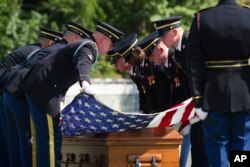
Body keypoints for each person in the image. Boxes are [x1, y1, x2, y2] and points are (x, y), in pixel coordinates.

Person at [20, 20, 124, 167]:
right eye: (111, 44)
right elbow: (83, 62)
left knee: (42, 137)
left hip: (37, 88)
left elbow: (60, 71)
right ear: (103, 39)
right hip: (45, 91)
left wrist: (61, 101)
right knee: (51, 138)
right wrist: (86, 83)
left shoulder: (82, 44)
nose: (110, 49)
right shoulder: (89, 46)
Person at [2, 21, 92, 167]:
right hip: (20, 92)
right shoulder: (59, 49)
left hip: (9, 90)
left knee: (14, 141)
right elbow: (46, 76)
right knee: (31, 141)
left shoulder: (44, 49)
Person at [186, 0, 250, 166]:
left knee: (217, 145)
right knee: (242, 146)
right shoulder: (248, 16)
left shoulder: (202, 19)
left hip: (213, 94)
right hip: (245, 93)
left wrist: (197, 99)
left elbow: (194, 64)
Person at [0, 27, 60, 167]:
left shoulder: (29, 49)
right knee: (26, 139)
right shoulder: (37, 52)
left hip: (5, 92)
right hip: (13, 93)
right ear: (51, 43)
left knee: (10, 139)